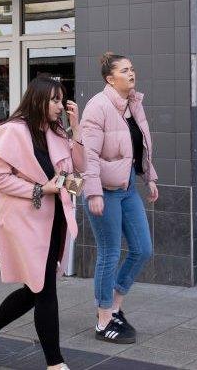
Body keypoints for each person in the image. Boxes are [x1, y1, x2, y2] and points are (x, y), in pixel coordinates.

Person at [0, 74, 84, 370]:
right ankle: (55, 364)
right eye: (54, 100)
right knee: (44, 290)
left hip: (53, 218)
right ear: (38, 99)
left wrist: (76, 128)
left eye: (61, 99)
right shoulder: (12, 131)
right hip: (24, 220)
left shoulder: (57, 132)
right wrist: (40, 189)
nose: (60, 105)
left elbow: (79, 168)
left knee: (36, 288)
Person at [80, 52, 158, 344]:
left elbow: (142, 146)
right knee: (109, 253)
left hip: (126, 188)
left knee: (143, 249)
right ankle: (103, 321)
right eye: (124, 70)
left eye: (132, 69)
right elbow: (88, 155)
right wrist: (94, 193)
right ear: (110, 78)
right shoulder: (97, 107)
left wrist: (149, 177)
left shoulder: (133, 104)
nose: (131, 73)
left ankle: (114, 306)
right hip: (104, 191)